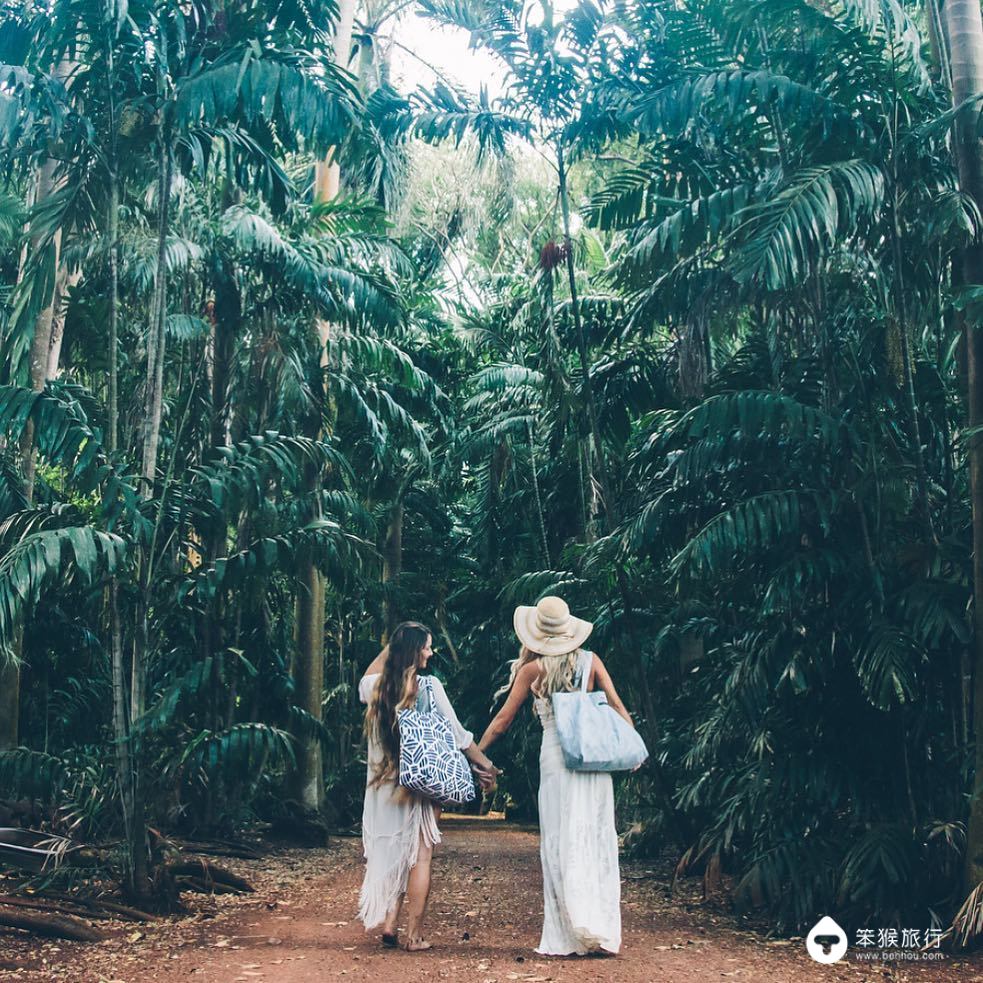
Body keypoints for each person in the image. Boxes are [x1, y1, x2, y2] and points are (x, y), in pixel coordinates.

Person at [476, 596, 633, 956]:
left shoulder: (532, 670)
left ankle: (570, 932)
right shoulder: (592, 661)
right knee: (593, 835)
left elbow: (502, 720)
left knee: (560, 839)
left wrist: (478, 753)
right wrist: (631, 746)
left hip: (556, 758)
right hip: (591, 757)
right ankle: (599, 927)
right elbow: (616, 705)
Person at [358, 621, 498, 951]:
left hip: (385, 787)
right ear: (414, 651)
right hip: (422, 782)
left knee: (397, 851)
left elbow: (369, 672)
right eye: (426, 647)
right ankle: (414, 936)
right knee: (420, 858)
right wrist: (486, 765)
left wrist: (397, 642)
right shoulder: (430, 687)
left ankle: (390, 924)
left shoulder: (376, 688)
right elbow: (459, 735)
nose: (431, 653)